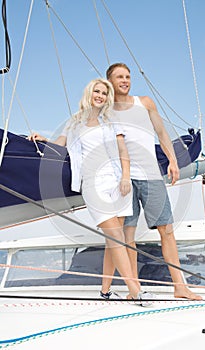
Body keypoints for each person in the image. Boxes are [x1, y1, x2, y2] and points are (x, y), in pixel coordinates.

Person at [28, 78, 152, 305]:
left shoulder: (112, 121)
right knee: (115, 237)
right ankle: (135, 288)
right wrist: (42, 140)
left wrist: (125, 178)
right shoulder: (74, 123)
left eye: (104, 93)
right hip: (92, 184)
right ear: (89, 93)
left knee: (114, 240)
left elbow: (123, 151)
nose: (101, 96)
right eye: (97, 91)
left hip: (117, 184)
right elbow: (59, 145)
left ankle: (105, 291)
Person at [100, 63, 202, 301]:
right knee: (128, 237)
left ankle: (180, 286)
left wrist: (173, 161)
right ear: (110, 81)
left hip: (151, 176)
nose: (125, 80)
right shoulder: (105, 110)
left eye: (127, 76)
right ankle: (133, 290)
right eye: (119, 77)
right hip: (122, 179)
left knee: (166, 231)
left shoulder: (144, 103)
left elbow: (162, 133)